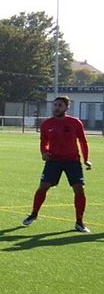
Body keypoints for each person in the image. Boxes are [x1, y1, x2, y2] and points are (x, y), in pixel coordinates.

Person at [23, 96, 93, 233]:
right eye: (55, 105)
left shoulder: (75, 123)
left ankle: (79, 222)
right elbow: (44, 142)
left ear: (67, 107)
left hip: (72, 161)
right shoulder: (46, 124)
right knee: (43, 187)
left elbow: (83, 142)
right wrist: (44, 152)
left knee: (79, 189)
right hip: (53, 161)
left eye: (60, 105)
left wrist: (86, 159)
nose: (56, 108)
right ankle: (34, 214)